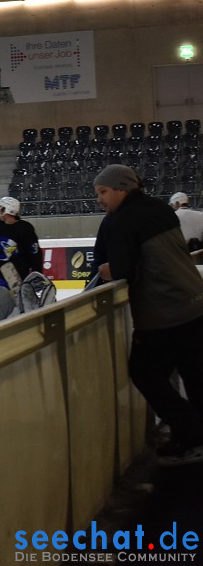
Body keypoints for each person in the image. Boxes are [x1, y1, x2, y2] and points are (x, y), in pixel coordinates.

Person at [94, 164, 203, 466]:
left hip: (164, 313)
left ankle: (191, 430)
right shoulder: (159, 208)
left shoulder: (123, 220)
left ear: (121, 189)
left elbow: (123, 269)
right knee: (195, 376)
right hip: (195, 303)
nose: (100, 199)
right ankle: (190, 436)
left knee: (144, 372)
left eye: (103, 192)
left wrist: (106, 270)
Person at [0, 196, 43, 290]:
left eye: (1, 207)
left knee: (18, 303)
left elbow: (35, 253)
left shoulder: (25, 228)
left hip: (19, 276)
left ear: (8, 209)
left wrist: (36, 275)